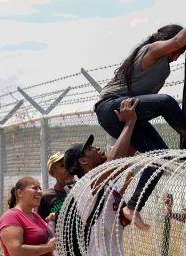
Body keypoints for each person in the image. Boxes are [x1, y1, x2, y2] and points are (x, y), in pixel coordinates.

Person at [94, 2, 186, 230]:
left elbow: (178, 44)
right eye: (177, 52)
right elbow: (175, 42)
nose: (176, 57)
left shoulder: (163, 60)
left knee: (162, 158)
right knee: (166, 101)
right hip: (111, 107)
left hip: (130, 114)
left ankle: (133, 206)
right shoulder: (151, 51)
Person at [59, 97, 138, 256]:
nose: (97, 148)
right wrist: (129, 123)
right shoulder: (85, 185)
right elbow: (115, 162)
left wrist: (136, 121)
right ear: (83, 160)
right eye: (90, 148)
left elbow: (128, 153)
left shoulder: (105, 184)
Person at [0, 176, 55, 256]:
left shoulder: (35, 216)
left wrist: (53, 221)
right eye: (34, 188)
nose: (40, 191)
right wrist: (48, 247)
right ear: (20, 193)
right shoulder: (10, 216)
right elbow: (16, 252)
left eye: (40, 188)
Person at [37, 152, 75, 223]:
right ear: (52, 173)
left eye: (69, 165)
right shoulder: (45, 196)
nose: (69, 169)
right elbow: (39, 224)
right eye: (63, 166)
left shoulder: (81, 192)